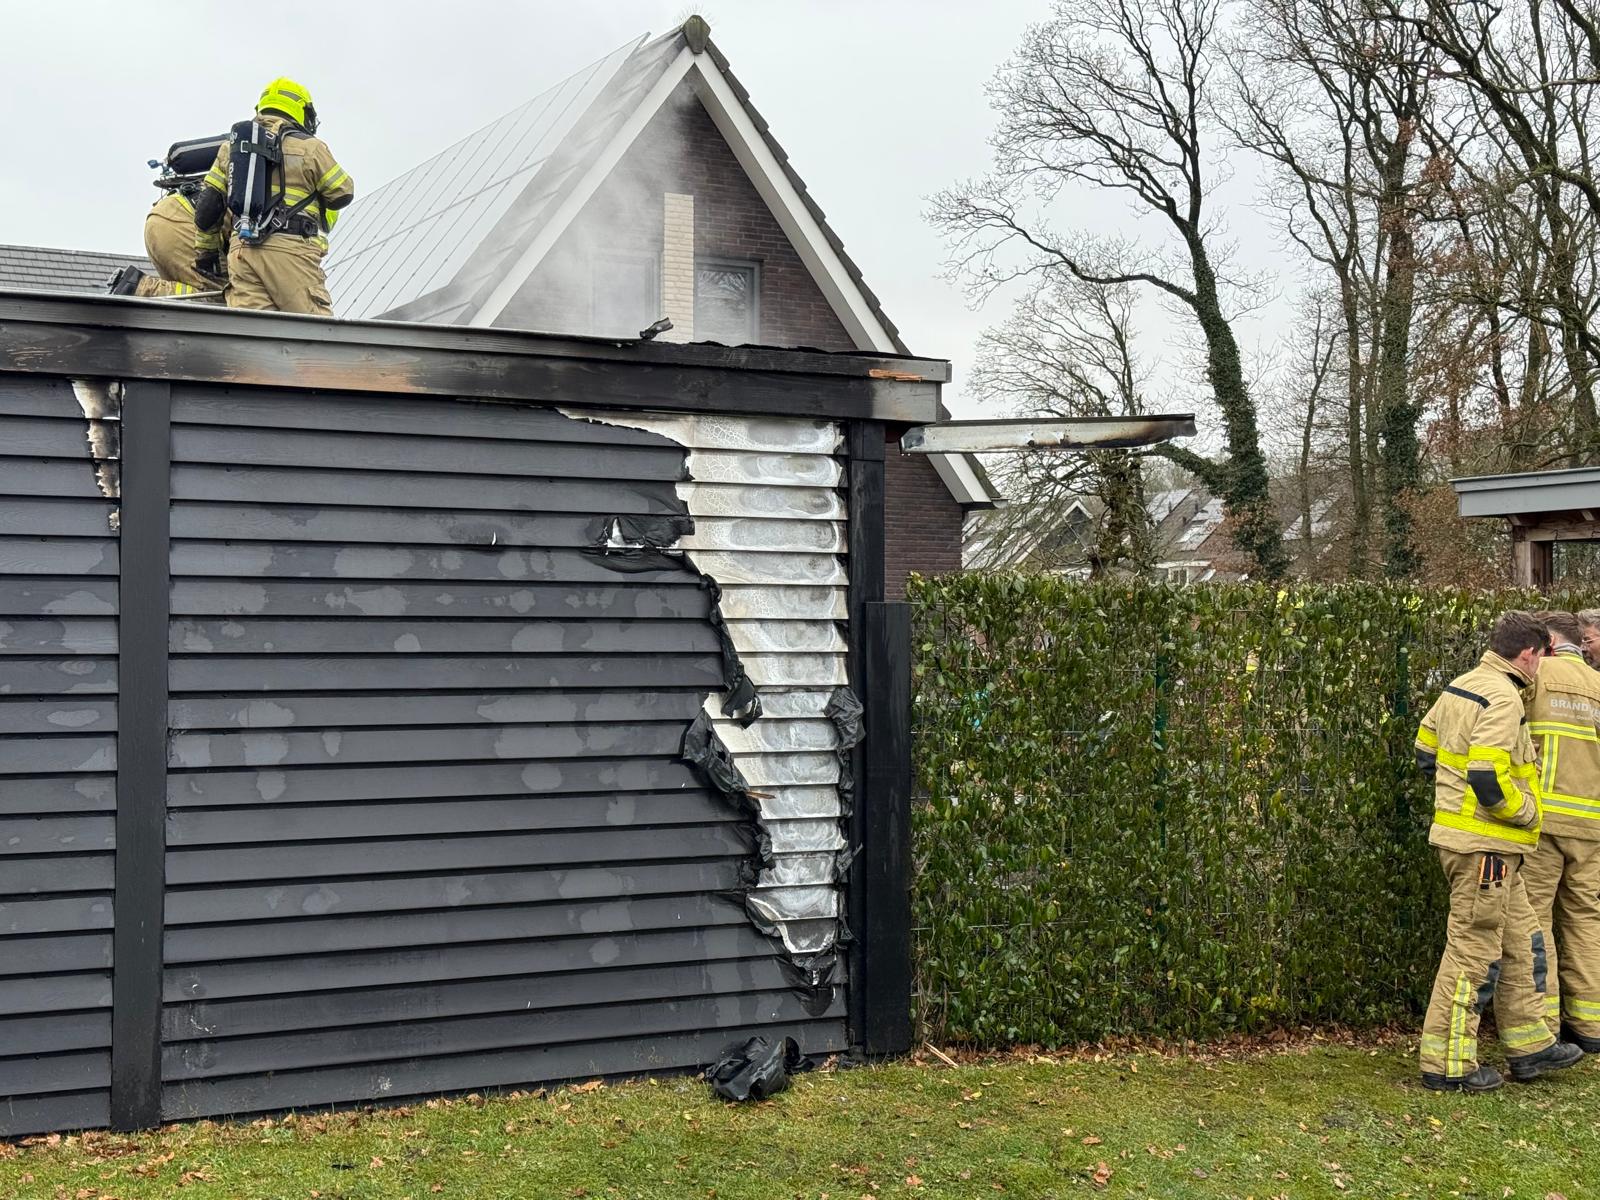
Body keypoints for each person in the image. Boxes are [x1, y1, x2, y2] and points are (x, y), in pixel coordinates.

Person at [1413, 610, 1583, 1091]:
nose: (1540, 670)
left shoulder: (1462, 684)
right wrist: (1527, 813)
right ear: (1529, 654)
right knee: (1473, 952)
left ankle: (1531, 1047)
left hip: (1481, 846)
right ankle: (1448, 1066)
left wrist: (1454, 804)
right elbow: (1487, 778)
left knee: (1522, 939)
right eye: (1542, 659)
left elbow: (1427, 749)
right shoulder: (1505, 699)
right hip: (1487, 849)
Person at [194, 77, 354, 314]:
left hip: (242, 251)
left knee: (255, 336)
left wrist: (206, 253)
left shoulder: (231, 148)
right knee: (317, 336)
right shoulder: (310, 147)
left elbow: (207, 207)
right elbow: (342, 191)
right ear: (302, 111)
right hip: (292, 252)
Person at [1523, 610, 1600, 1052]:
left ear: (1548, 642)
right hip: (1590, 825)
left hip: (1543, 822)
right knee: (1585, 919)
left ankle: (1543, 1024)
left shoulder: (1535, 677)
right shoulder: (1596, 683)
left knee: (1535, 922)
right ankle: (1590, 1024)